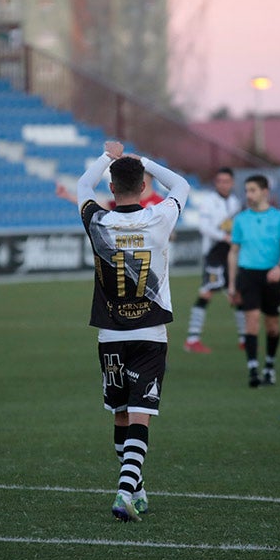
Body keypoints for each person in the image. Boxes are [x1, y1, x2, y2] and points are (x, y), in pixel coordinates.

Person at [77, 140, 189, 522]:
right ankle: (127, 491)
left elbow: (81, 187)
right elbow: (182, 187)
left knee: (121, 415)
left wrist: (107, 157)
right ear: (144, 187)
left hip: (110, 334)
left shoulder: (98, 222)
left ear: (111, 188)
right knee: (140, 415)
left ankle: (134, 489)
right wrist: (145, 160)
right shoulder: (159, 218)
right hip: (150, 334)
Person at [227, 174, 280, 388]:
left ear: (265, 192)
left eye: (253, 190)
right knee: (252, 320)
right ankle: (253, 371)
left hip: (273, 275)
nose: (249, 194)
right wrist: (231, 283)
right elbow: (233, 252)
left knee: (272, 325)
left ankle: (269, 367)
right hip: (248, 275)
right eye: (247, 190)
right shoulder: (240, 219)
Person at [183, 167, 245, 353]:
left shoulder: (235, 202)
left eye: (226, 181)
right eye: (220, 181)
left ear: (232, 183)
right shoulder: (209, 201)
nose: (223, 185)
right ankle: (192, 339)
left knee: (236, 294)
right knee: (207, 292)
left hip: (231, 253)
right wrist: (223, 237)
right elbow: (204, 227)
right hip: (214, 254)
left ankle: (245, 338)